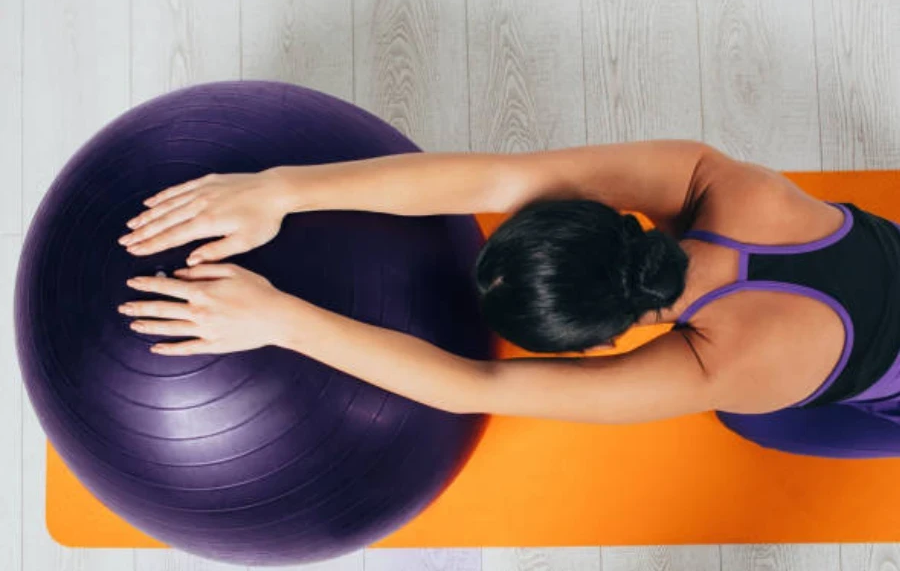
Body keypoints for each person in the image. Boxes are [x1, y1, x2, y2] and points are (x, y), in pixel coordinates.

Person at [116, 140, 900, 458]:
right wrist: (279, 190)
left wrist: (280, 319)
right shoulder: (726, 185)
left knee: (754, 425)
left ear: (599, 346)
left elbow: (474, 384)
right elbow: (502, 178)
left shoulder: (728, 371)